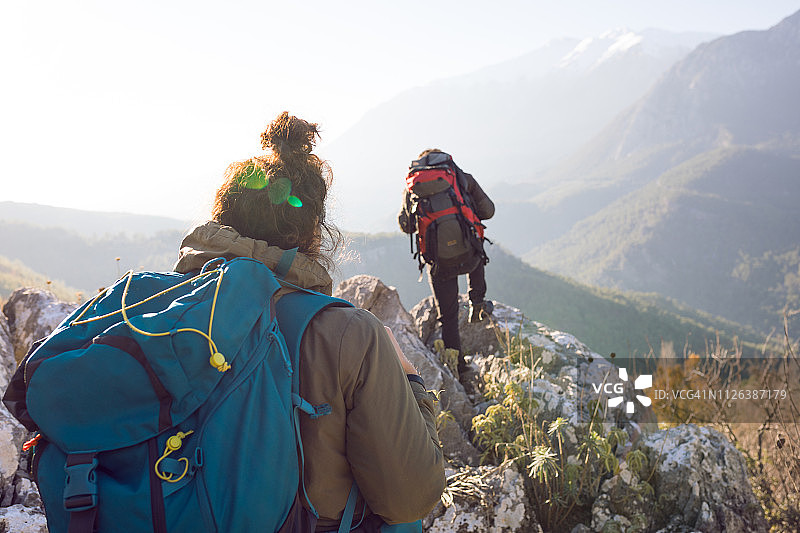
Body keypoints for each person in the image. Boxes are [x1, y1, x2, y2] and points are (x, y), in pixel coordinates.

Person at [173, 112, 445, 531]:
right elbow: (411, 498)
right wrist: (411, 385)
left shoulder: (159, 310)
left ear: (222, 219)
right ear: (313, 234)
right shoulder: (349, 335)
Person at [398, 149, 495, 377]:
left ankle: (459, 368)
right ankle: (477, 302)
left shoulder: (413, 189)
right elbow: (488, 212)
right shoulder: (462, 179)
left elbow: (407, 226)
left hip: (440, 264)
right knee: (476, 244)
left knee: (448, 317)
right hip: (470, 258)